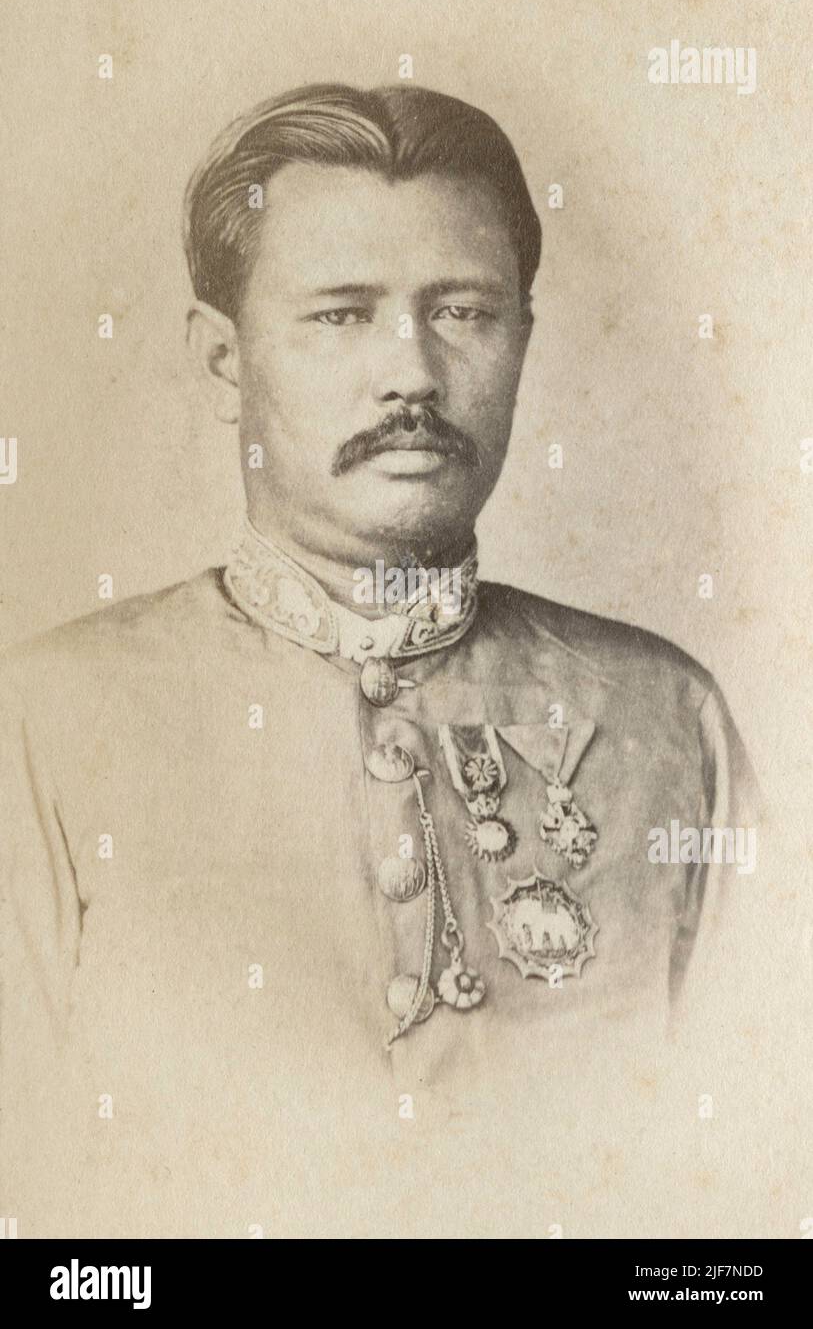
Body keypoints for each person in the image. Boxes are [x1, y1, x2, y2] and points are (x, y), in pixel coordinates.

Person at [0, 84, 760, 1237]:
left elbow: (752, 1193)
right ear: (221, 363)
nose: (411, 372)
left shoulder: (665, 717)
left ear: (522, 342)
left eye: (462, 312)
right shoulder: (44, 726)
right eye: (341, 315)